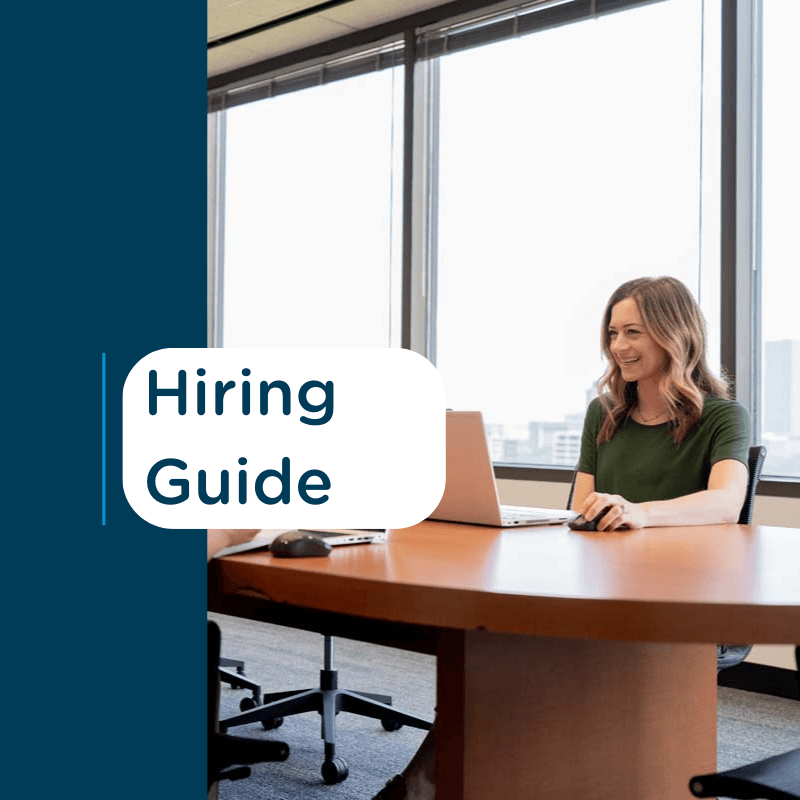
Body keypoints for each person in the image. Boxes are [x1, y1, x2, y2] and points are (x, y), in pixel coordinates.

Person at [372, 276, 751, 800]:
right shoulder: (605, 414)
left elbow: (726, 503)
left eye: (633, 332)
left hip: (681, 601)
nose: (618, 346)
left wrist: (638, 512)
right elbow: (582, 510)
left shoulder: (722, 417)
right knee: (492, 658)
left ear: (674, 333)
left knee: (511, 668)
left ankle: (420, 789)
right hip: (603, 593)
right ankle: (433, 786)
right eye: (613, 332)